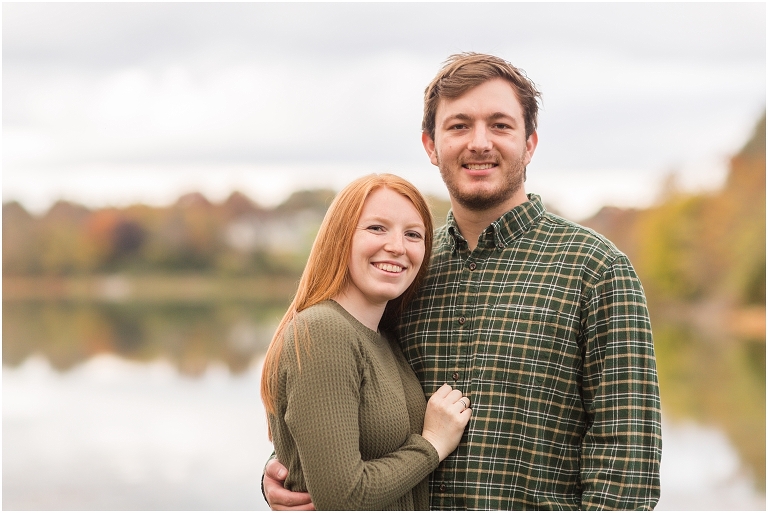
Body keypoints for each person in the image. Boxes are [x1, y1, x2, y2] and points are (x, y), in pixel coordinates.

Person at [264, 52, 662, 510]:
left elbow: (626, 470)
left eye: (500, 125)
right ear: (431, 145)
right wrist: (284, 470)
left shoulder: (595, 270)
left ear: (529, 143)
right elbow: (342, 400)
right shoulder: (405, 270)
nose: (479, 142)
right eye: (458, 126)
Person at [260, 173, 472, 510]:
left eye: (413, 234)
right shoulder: (323, 331)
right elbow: (344, 498)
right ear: (340, 237)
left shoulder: (383, 338)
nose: (397, 247)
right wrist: (431, 444)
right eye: (377, 228)